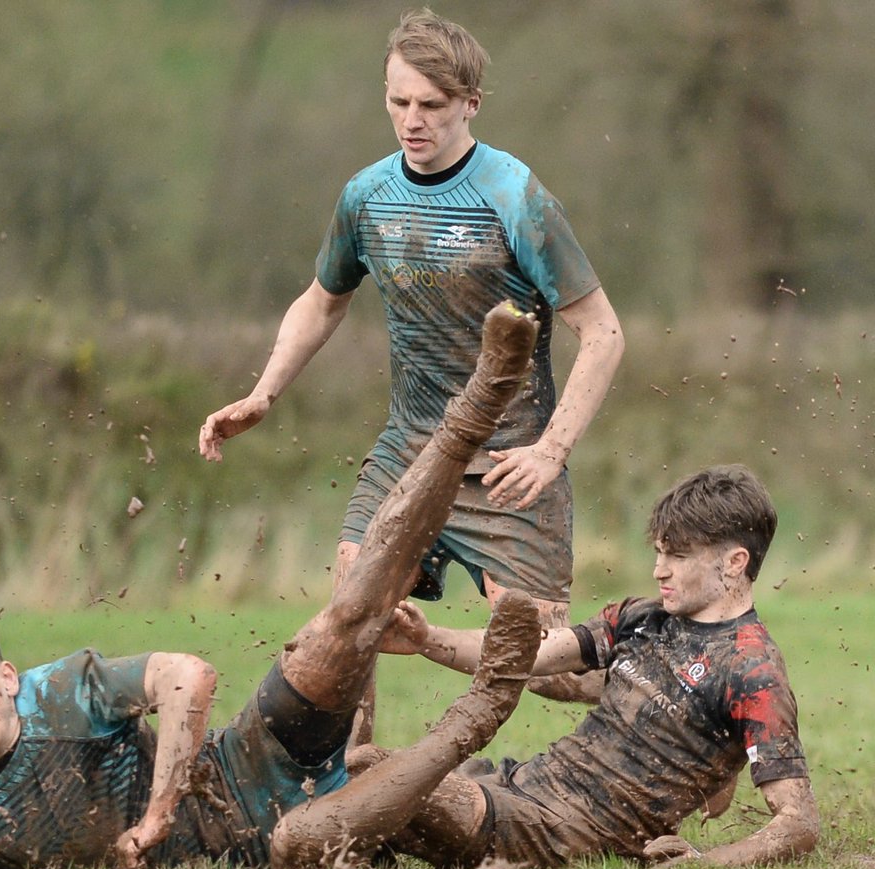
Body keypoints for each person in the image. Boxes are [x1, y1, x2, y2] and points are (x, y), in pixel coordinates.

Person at [0, 304, 545, 869]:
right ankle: (436, 754)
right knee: (377, 806)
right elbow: (11, 843)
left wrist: (157, 816)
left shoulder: (65, 691)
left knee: (349, 615)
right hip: (283, 841)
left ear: (5, 677)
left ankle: (476, 408)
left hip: (249, 763)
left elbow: (189, 676)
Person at [199, 9, 624, 642]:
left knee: (541, 660)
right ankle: (352, 748)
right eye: (399, 102)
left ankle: (663, 696)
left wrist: (550, 452)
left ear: (470, 103)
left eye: (432, 103)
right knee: (349, 619)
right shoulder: (366, 195)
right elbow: (322, 301)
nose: (412, 119)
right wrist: (264, 393)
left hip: (510, 461)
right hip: (410, 446)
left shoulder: (516, 197)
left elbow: (604, 334)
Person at [270, 465, 820, 869]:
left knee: (375, 785)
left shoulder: (752, 670)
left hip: (559, 832)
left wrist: (706, 861)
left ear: (734, 562)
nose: (659, 570)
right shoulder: (641, 616)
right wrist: (426, 639)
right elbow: (530, 654)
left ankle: (290, 852)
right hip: (517, 784)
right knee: (366, 764)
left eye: (677, 556)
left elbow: (797, 822)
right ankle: (345, 851)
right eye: (658, 552)